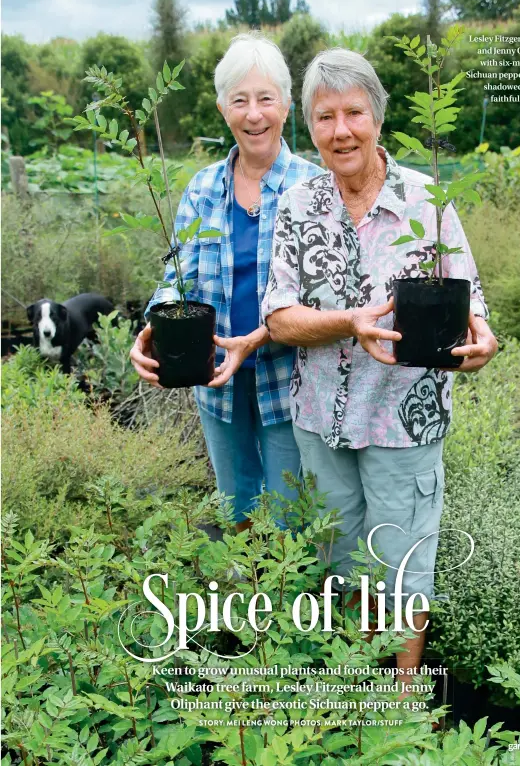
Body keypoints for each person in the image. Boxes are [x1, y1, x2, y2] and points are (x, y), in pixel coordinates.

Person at [262, 48, 498, 670]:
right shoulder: (298, 205)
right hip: (321, 421)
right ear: (308, 127)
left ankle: (401, 715)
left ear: (378, 117)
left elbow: (473, 306)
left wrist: (481, 346)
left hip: (403, 420)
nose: (340, 131)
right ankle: (358, 694)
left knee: (404, 568)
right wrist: (348, 322)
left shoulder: (428, 202)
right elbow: (279, 317)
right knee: (342, 567)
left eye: (353, 113)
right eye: (323, 117)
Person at [130, 33, 323, 532]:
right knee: (234, 506)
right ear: (223, 109)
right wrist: (153, 324)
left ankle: (289, 600)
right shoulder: (202, 187)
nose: (253, 114)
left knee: (288, 518)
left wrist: (260, 337)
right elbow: (178, 276)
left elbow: (324, 295)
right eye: (240, 100)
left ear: (285, 105)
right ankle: (240, 599)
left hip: (288, 379)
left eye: (265, 99)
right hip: (215, 377)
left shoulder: (313, 188)